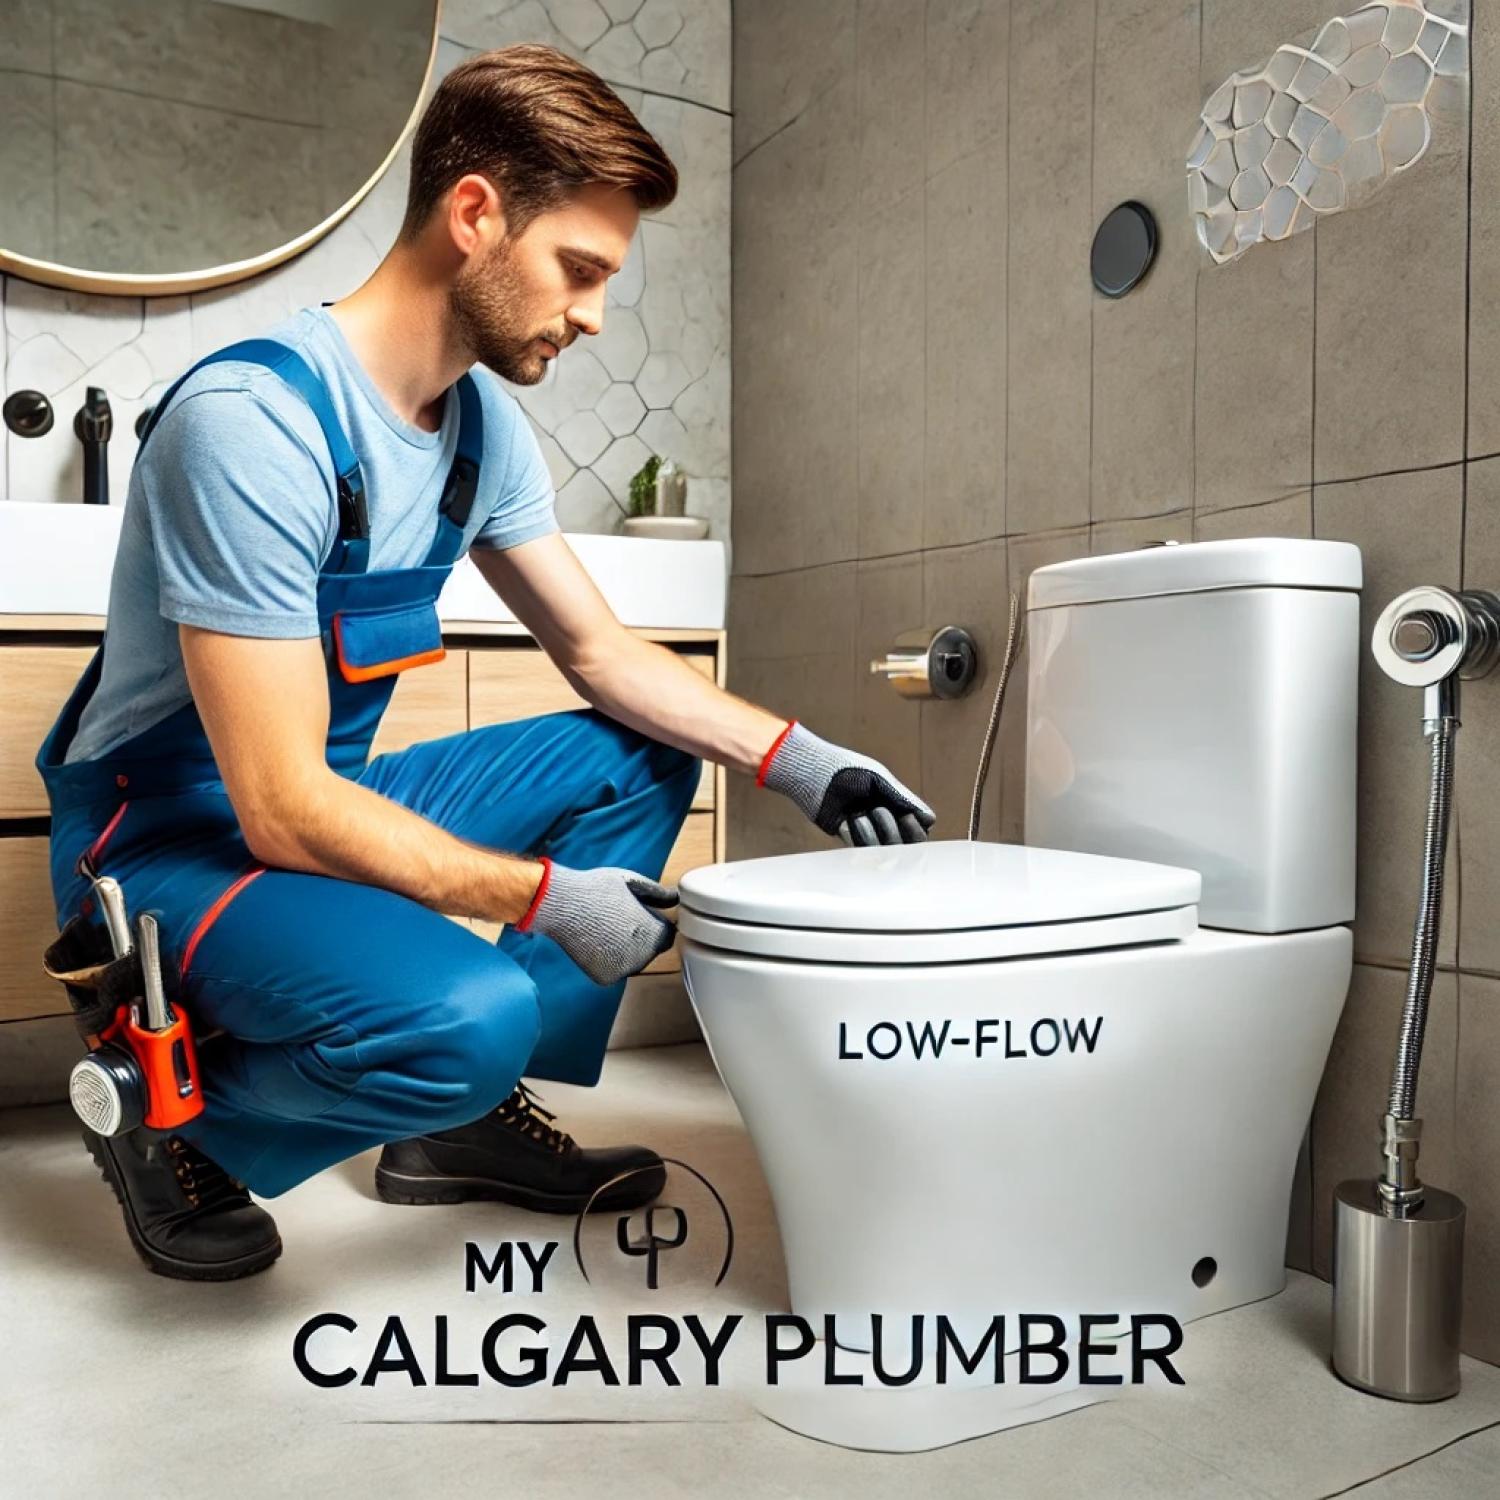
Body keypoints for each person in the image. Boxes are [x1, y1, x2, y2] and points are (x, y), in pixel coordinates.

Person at [36, 43, 936, 1282]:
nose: (592, 314)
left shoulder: (477, 431)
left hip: (311, 806)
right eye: (580, 269)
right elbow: (279, 804)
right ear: (474, 215)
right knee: (472, 1011)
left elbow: (600, 653)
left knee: (640, 748)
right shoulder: (253, 426)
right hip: (171, 843)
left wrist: (799, 760)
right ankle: (163, 1112)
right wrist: (546, 897)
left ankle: (456, 1122)